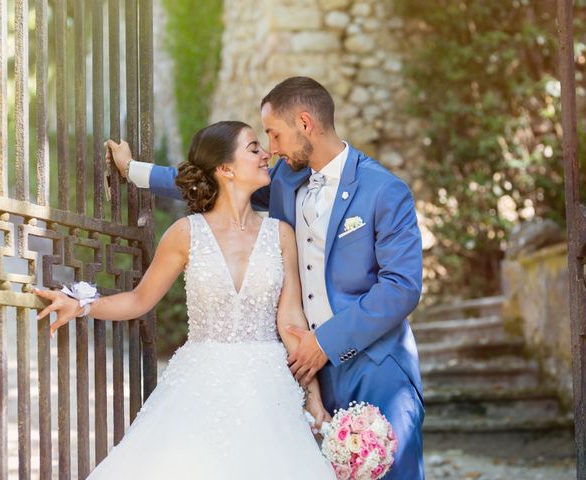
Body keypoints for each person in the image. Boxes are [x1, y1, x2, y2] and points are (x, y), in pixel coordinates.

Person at [108, 76, 425, 479]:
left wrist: (324, 342)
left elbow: (401, 288)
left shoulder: (384, 191)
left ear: (305, 123)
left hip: (376, 367)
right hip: (310, 372)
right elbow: (214, 178)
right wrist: (134, 170)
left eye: (274, 134)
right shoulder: (286, 181)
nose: (271, 149)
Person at [34, 121, 336, 479]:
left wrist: (313, 398)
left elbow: (293, 325)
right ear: (225, 168)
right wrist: (83, 305)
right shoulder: (185, 233)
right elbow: (138, 300)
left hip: (270, 389)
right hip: (200, 383)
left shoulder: (281, 234)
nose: (266, 154)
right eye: (254, 148)